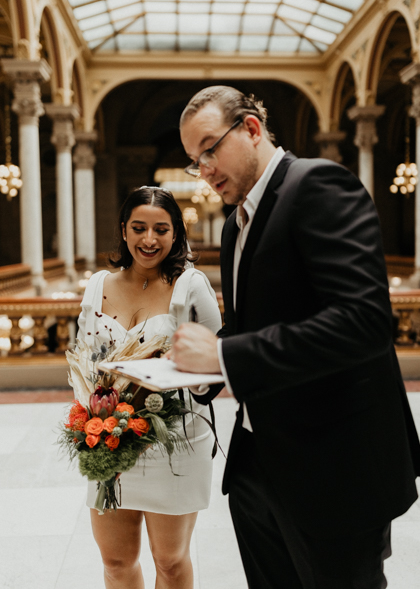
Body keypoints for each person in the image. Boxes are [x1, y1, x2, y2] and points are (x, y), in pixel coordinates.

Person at [170, 85, 420, 589]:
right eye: (195, 161)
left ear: (252, 129)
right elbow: (257, 324)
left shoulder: (318, 185)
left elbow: (364, 321)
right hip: (258, 467)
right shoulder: (234, 225)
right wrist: (194, 368)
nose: (205, 170)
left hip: (334, 467)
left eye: (210, 149)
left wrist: (224, 354)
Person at [74, 186, 222, 589]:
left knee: (170, 561)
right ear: (124, 231)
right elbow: (83, 358)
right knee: (116, 561)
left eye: (161, 229)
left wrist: (178, 374)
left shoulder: (191, 285)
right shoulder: (97, 285)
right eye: (139, 228)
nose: (149, 239)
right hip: (108, 441)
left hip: (174, 442)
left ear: (176, 234)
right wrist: (91, 420)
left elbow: (218, 364)